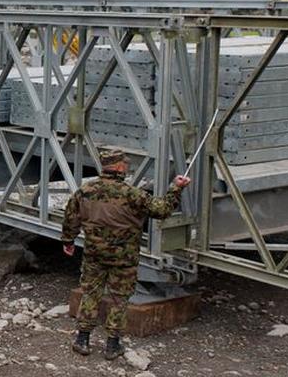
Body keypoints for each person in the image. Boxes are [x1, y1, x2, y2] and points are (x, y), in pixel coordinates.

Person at [59, 148, 190, 360]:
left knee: (91, 293)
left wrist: (68, 240)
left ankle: (82, 339)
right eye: (125, 164)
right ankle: (112, 345)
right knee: (119, 298)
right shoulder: (131, 194)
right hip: (124, 259)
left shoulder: (85, 191)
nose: (127, 167)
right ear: (119, 167)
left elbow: (71, 217)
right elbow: (162, 209)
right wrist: (176, 187)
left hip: (94, 254)